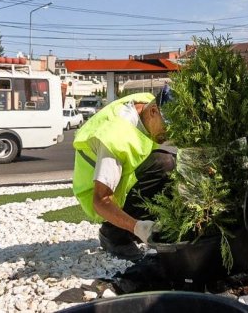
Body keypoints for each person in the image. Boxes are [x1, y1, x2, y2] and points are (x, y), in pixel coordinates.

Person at [72, 92, 174, 261]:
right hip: (99, 191)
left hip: (124, 175)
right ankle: (114, 234)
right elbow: (101, 200)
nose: (170, 135)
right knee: (164, 165)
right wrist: (137, 227)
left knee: (169, 165)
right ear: (154, 112)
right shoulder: (116, 138)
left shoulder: (146, 102)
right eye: (167, 128)